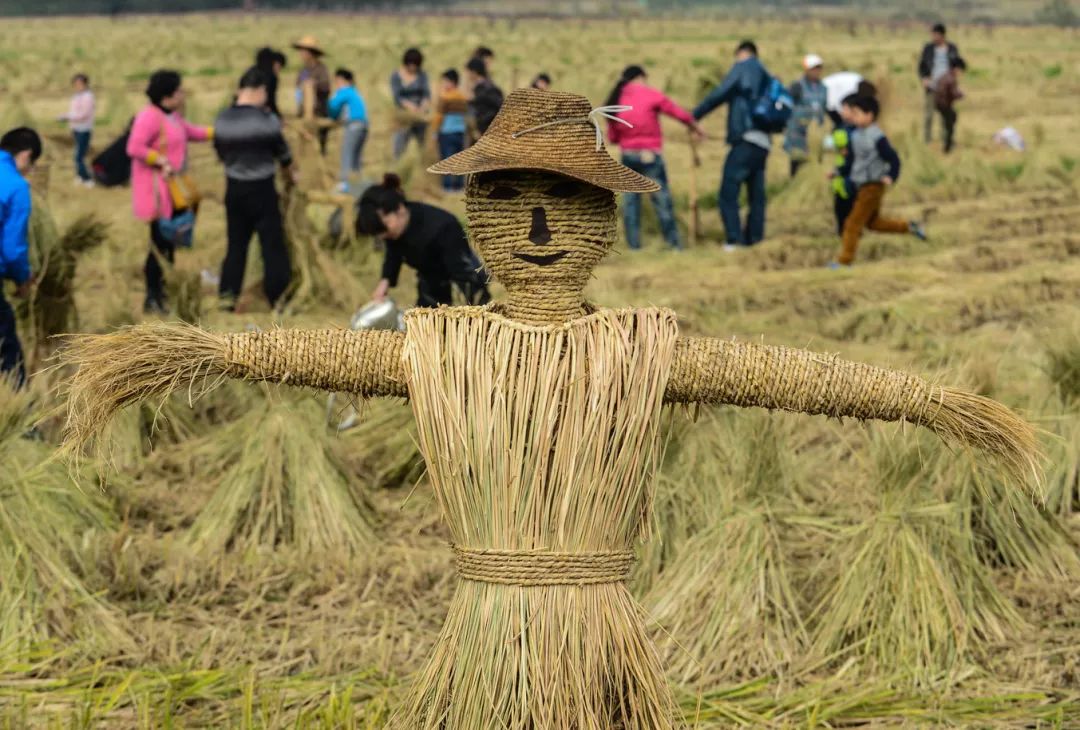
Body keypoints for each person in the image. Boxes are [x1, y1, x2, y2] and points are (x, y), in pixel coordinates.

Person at [127, 69, 212, 314]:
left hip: (171, 192)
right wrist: (159, 159)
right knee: (159, 244)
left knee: (167, 244)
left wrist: (222, 130)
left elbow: (192, 132)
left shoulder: (171, 117)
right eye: (179, 90)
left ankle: (162, 294)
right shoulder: (149, 117)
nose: (183, 94)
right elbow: (134, 146)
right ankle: (153, 297)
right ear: (167, 96)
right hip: (156, 194)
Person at [213, 67, 295, 312]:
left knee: (236, 246)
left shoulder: (222, 120)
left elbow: (220, 153)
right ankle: (278, 299)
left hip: (234, 188)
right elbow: (284, 154)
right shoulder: (267, 121)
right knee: (272, 247)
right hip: (263, 189)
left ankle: (227, 298)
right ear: (260, 90)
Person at [606, 65, 704, 251]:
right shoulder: (651, 94)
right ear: (641, 77)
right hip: (650, 155)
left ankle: (634, 246)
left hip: (628, 156)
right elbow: (677, 112)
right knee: (662, 200)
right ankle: (674, 243)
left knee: (631, 204)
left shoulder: (617, 98)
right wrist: (695, 127)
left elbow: (613, 137)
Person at [357, 173, 490, 307]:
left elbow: (463, 274)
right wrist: (385, 281)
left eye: (384, 229)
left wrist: (475, 306)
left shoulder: (442, 227)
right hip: (430, 277)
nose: (383, 236)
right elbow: (393, 254)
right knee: (428, 314)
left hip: (459, 268)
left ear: (400, 209)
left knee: (473, 296)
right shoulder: (392, 233)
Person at [692, 40, 773, 250]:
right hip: (764, 142)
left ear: (741, 53)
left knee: (728, 191)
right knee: (756, 194)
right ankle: (755, 239)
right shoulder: (766, 74)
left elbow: (720, 93)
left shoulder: (742, 67)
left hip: (745, 138)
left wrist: (694, 116)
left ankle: (733, 239)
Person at [830, 96, 926, 268]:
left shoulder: (877, 137)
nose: (853, 117)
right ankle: (910, 227)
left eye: (856, 113)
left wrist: (891, 175)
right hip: (861, 185)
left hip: (873, 186)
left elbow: (893, 158)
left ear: (870, 115)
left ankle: (844, 261)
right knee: (874, 223)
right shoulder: (855, 135)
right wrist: (837, 172)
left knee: (852, 224)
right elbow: (852, 161)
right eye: (852, 113)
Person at [0, 127, 40, 387]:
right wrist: (22, 278)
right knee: (7, 345)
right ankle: (23, 419)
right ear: (25, 155)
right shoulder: (16, 186)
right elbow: (13, 248)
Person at [783, 54, 826, 177]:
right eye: (813, 68)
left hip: (815, 135)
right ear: (806, 69)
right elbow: (787, 105)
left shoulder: (823, 88)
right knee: (797, 163)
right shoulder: (797, 86)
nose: (816, 71)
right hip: (798, 134)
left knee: (815, 163)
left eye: (818, 68)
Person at [918, 23, 961, 144]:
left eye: (935, 34)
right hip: (932, 86)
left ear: (942, 35)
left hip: (946, 87)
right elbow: (921, 66)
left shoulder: (952, 48)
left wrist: (956, 72)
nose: (933, 37)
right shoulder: (928, 49)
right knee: (929, 115)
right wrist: (924, 78)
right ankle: (927, 140)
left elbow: (958, 63)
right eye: (932, 34)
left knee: (945, 115)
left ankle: (945, 140)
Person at [328, 67, 368, 191]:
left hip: (353, 126)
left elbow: (333, 105)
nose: (336, 84)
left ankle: (345, 184)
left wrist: (331, 115)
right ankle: (357, 181)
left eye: (338, 81)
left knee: (347, 153)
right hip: (364, 126)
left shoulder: (345, 91)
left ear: (343, 80)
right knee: (356, 156)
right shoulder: (355, 92)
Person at [431, 69, 468, 192]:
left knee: (446, 158)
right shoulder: (462, 97)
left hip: (446, 132)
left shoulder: (445, 97)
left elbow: (439, 116)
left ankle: (447, 186)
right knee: (459, 159)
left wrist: (435, 131)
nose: (443, 85)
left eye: (445, 82)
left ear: (452, 82)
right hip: (460, 132)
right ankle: (458, 186)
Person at [292, 35, 331, 155]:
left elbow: (326, 87)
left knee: (317, 150)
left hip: (318, 114)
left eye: (304, 51)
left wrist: (312, 85)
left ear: (311, 53)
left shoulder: (321, 70)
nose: (301, 53)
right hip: (303, 116)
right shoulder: (303, 71)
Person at [390, 48, 431, 160]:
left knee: (421, 145)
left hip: (420, 116)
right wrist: (409, 106)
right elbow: (397, 97)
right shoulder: (396, 76)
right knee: (399, 146)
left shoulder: (422, 75)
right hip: (404, 115)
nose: (413, 67)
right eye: (411, 64)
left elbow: (426, 94)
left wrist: (422, 107)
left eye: (416, 65)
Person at [59, 73, 95, 187]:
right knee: (77, 153)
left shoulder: (88, 97)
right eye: (75, 84)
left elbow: (83, 115)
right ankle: (80, 176)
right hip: (75, 129)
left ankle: (88, 178)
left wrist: (67, 117)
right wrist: (65, 116)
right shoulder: (76, 97)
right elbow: (73, 111)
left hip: (84, 129)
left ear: (85, 84)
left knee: (79, 156)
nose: (77, 86)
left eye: (80, 84)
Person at [934, 57, 966, 154]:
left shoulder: (944, 76)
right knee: (950, 126)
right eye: (960, 70)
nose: (960, 73)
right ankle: (947, 148)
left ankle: (948, 143)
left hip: (938, 104)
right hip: (945, 105)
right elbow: (954, 94)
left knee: (950, 121)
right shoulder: (951, 79)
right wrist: (961, 94)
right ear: (956, 68)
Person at [466, 57, 503, 138]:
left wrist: (485, 124)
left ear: (474, 72)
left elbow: (500, 107)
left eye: (468, 72)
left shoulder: (487, 88)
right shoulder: (479, 88)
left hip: (490, 131)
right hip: (483, 130)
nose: (467, 75)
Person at [254, 46, 287, 117]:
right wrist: (279, 117)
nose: (278, 71)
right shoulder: (271, 77)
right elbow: (270, 101)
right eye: (279, 67)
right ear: (276, 64)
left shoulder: (252, 72)